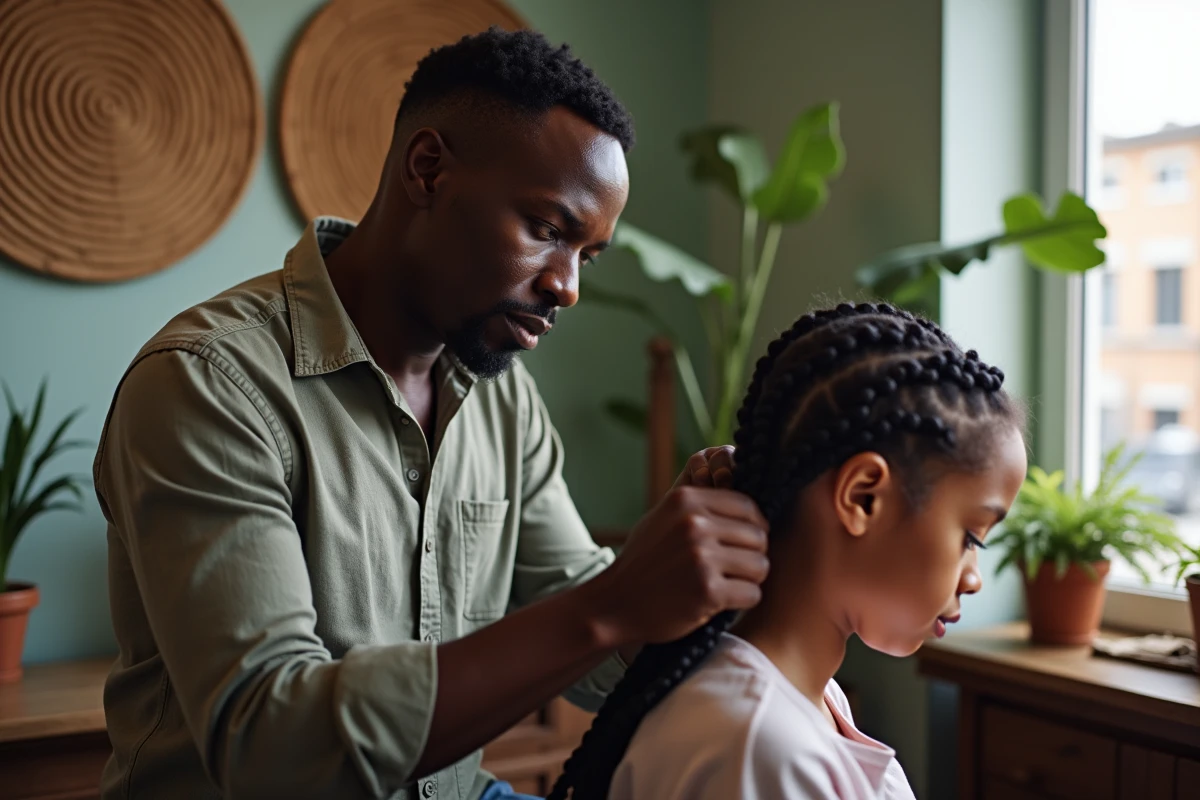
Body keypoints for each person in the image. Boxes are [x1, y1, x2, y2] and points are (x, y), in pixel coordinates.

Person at [92, 28, 771, 800]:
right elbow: (269, 746)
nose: (568, 287)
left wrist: (693, 586)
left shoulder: (503, 396)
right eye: (548, 230)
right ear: (428, 170)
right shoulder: (208, 384)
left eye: (588, 254)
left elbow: (577, 619)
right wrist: (614, 603)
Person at [545, 303, 1029, 800]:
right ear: (863, 496)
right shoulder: (761, 748)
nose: (974, 578)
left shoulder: (812, 698)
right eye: (970, 538)